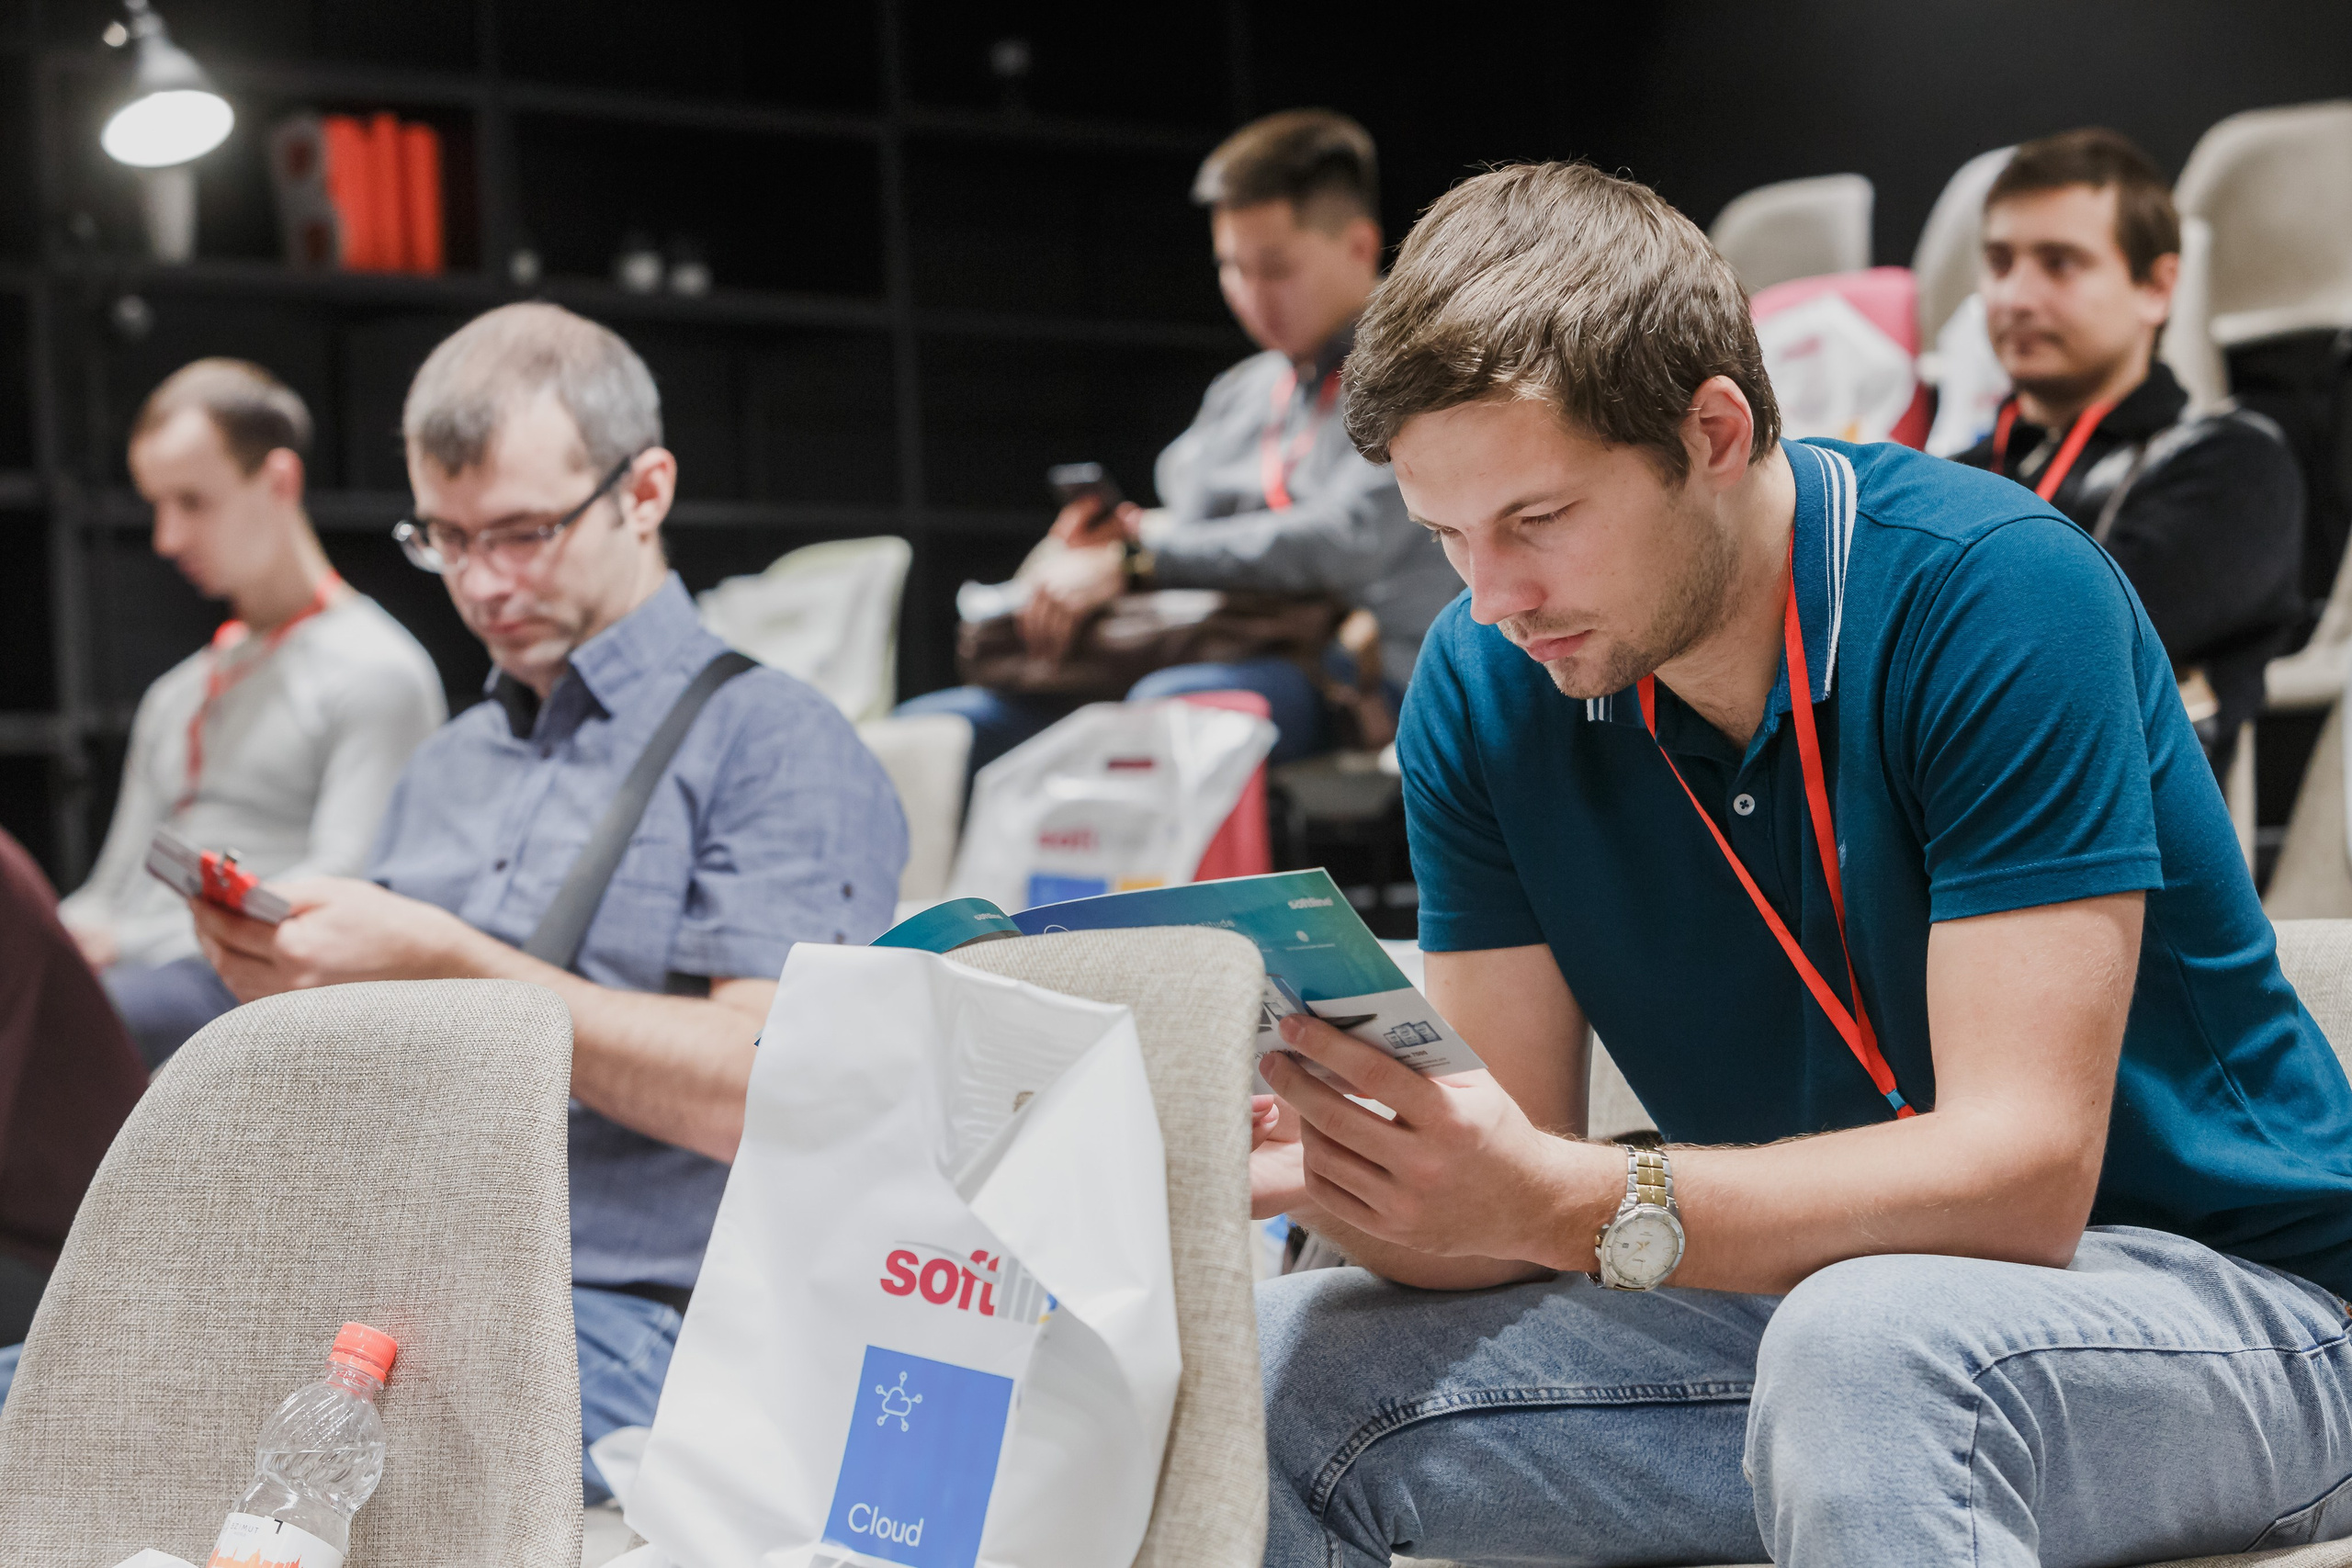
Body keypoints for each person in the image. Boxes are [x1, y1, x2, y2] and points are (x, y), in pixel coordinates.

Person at [1249, 162, 2352, 1566]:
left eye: (1537, 520)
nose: (1492, 596)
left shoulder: (1994, 591)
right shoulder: (1483, 683)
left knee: (1871, 1349)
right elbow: (1505, 1197)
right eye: (1447, 536)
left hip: (2242, 1307)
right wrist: (1364, 1165)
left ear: (1712, 429)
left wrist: (1559, 1196)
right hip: (1818, 1298)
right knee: (1286, 1363)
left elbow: (2023, 1178)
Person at [175, 303, 906, 1501]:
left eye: (522, 532)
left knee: (195, 1446)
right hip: (396, 1303)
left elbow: (772, 1087)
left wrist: (441, 962)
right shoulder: (451, 762)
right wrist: (291, 988)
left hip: (646, 1321)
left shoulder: (775, 742)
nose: (483, 583)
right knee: (51, 1383)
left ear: (646, 489)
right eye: (446, 539)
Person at [901, 109, 1458, 772]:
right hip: (1210, 646)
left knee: (1173, 714)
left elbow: (1343, 542)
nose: (1252, 295)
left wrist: (1140, 557)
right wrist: (1110, 543)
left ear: (1361, 247)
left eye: (1275, 267)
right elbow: (1186, 524)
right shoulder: (1242, 392)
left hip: (1357, 664)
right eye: (1232, 268)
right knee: (938, 731)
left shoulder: (1419, 370)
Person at [55, 360, 447, 1066]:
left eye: (192, 502)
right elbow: (112, 884)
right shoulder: (176, 693)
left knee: (81, 1028)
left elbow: (345, 894)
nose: (166, 538)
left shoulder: (377, 672)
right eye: (156, 505)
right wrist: (50, 940)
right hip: (140, 977)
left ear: (278, 483)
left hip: (251, 988)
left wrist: (120, 943)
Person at [1954, 128, 2303, 770]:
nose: (2015, 298)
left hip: (2129, 856)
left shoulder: (2233, 466)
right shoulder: (1950, 478)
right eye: (2000, 262)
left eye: (2059, 263)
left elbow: (2065, 646)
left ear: (2157, 287)